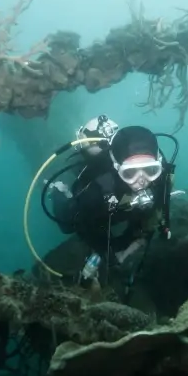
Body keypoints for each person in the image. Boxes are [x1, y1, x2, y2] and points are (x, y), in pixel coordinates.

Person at [43, 116, 177, 292]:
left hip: (120, 207)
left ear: (158, 165)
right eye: (130, 173)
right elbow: (85, 228)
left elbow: (154, 214)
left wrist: (134, 239)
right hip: (97, 205)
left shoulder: (162, 180)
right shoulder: (96, 191)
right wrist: (111, 252)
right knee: (67, 224)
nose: (141, 181)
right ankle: (58, 191)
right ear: (116, 167)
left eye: (151, 170)